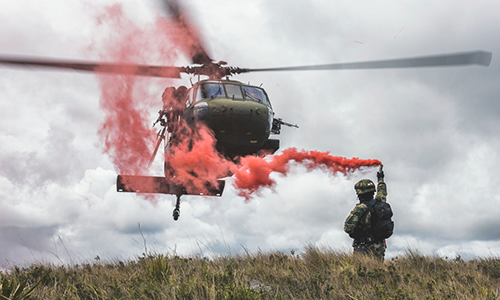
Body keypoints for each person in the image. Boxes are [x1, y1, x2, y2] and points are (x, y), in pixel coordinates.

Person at [344, 167, 387, 260]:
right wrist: (380, 179)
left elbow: (347, 227)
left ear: (359, 193)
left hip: (364, 247)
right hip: (379, 247)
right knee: (378, 272)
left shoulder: (360, 208)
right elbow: (382, 191)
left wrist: (357, 233)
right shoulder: (380, 203)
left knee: (362, 272)